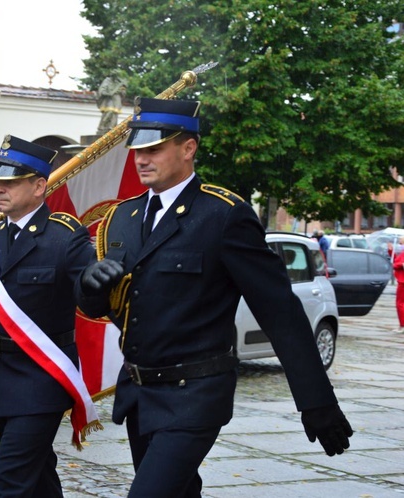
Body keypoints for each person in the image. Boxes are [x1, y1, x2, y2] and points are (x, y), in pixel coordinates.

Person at [75, 97, 353, 497]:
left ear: (188, 148)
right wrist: (89, 285)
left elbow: (280, 312)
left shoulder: (224, 215)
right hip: (140, 394)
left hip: (195, 395)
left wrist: (315, 400)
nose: (141, 159)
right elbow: (100, 308)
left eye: (154, 148)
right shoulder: (123, 217)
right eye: (137, 149)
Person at [0, 135, 100, 497]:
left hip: (41, 378)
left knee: (9, 481)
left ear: (40, 186)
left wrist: (95, 280)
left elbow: (90, 296)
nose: (0, 188)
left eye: (11, 181)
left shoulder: (64, 237)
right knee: (37, 474)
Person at [392, 237, 404, 333]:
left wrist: (396, 265)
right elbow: (396, 260)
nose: (400, 245)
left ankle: (402, 325)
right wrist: (390, 251)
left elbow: (398, 264)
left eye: (401, 243)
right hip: (401, 280)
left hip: (402, 281)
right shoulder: (402, 253)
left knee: (400, 303)